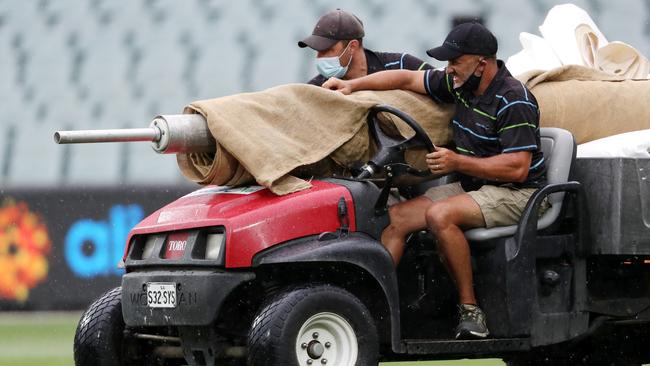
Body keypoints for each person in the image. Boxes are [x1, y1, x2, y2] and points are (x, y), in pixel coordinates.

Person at [322, 22, 548, 340]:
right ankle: (370, 310)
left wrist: (457, 162)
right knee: (397, 218)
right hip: (477, 187)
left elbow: (517, 168)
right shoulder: (460, 84)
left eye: (455, 61)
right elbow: (407, 77)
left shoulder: (514, 99)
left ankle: (471, 312)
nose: (448, 68)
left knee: (439, 214)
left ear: (481, 63)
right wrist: (353, 88)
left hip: (520, 194)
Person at [299, 9, 432, 86]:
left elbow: (444, 84)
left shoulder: (402, 64)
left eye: (327, 50)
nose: (319, 58)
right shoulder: (316, 89)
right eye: (317, 51)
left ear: (352, 47)